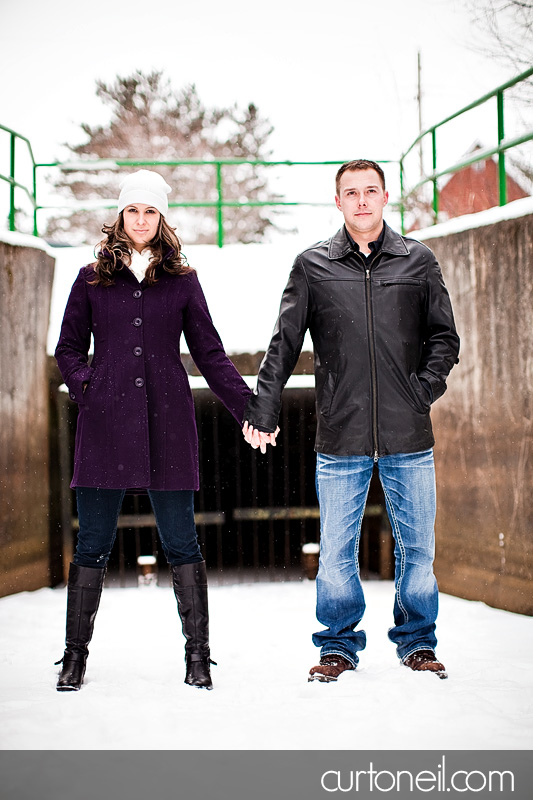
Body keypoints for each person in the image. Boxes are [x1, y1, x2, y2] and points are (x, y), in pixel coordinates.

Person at [243, 159, 459, 681]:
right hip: (340, 436)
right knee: (337, 551)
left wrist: (421, 390)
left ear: (386, 197)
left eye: (370, 191)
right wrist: (264, 407)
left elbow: (444, 338)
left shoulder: (418, 261)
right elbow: (284, 344)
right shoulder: (312, 265)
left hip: (409, 434)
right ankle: (337, 647)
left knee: (419, 550)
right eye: (351, 192)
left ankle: (417, 642)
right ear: (337, 202)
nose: (361, 200)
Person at [55, 169, 251, 692]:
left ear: (162, 219)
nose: (141, 220)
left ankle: (198, 656)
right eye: (133, 210)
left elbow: (209, 353)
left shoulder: (183, 281)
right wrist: (88, 387)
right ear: (121, 215)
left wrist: (250, 409)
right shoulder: (91, 278)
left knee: (182, 543)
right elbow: (68, 348)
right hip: (104, 427)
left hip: (168, 425)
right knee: (92, 543)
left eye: (150, 212)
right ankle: (74, 657)